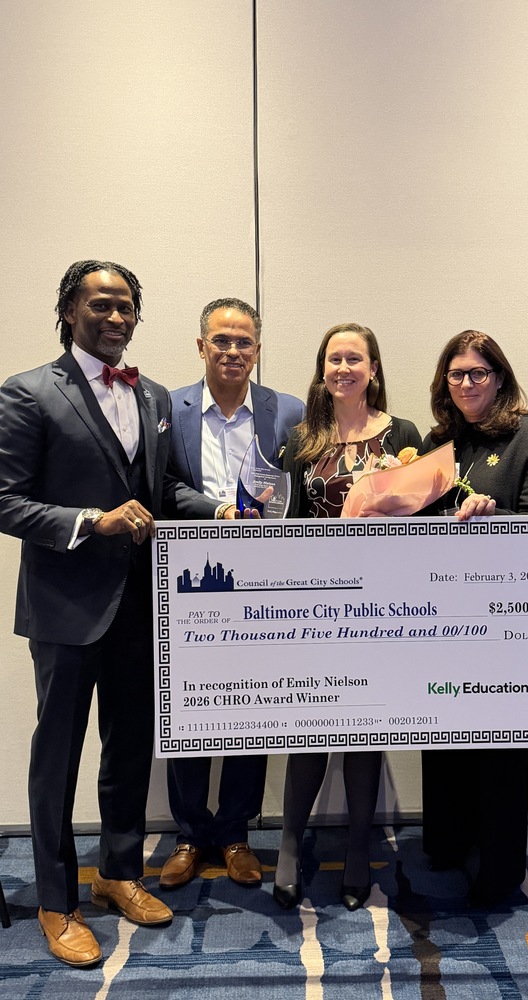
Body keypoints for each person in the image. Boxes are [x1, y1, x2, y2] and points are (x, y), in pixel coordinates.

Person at [0, 260, 218, 967]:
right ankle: (57, 902)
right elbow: (6, 501)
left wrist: (221, 509)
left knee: (129, 747)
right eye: (102, 304)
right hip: (65, 610)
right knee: (56, 760)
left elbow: (163, 489)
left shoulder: (152, 393)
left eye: (128, 306)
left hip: (142, 605)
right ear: (68, 309)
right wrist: (92, 520)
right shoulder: (29, 392)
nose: (117, 317)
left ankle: (119, 873)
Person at [273, 322, 421, 910]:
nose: (343, 368)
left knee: (364, 729)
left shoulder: (404, 434)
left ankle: (359, 848)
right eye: (333, 359)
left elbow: (426, 515)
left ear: (373, 369)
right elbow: (281, 520)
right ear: (322, 369)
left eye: (354, 358)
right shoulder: (301, 438)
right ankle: (288, 845)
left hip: (383, 604)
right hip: (314, 604)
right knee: (307, 727)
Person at [160, 298, 304, 890]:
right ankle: (191, 833)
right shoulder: (169, 409)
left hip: (264, 585)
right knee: (190, 708)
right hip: (193, 583)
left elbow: (302, 487)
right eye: (221, 341)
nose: (233, 351)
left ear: (258, 348)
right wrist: (217, 510)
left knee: (251, 706)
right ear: (201, 347)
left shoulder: (287, 410)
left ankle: (237, 832)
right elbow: (164, 486)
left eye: (244, 341)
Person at [420, 330, 528, 906]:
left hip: (504, 624)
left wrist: (496, 512)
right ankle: (448, 843)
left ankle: (500, 869)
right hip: (440, 615)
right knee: (445, 731)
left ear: (500, 377)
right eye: (456, 374)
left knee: (497, 744)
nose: (467, 383)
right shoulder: (438, 440)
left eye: (479, 373)